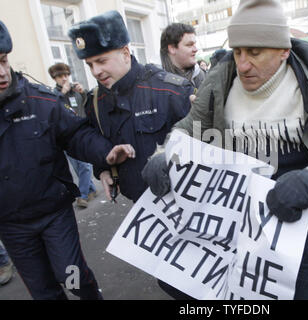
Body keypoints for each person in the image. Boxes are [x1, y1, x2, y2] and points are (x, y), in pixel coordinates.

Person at [142, 0, 308, 300]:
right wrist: (165, 154)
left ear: (283, 51)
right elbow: (190, 128)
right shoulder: (221, 79)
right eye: (238, 51)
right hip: (233, 226)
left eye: (255, 52)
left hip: (301, 232)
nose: (243, 64)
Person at [0, 20, 135, 299]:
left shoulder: (40, 103)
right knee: (43, 291)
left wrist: (105, 153)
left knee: (70, 275)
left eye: (3, 61)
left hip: (53, 215)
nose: (2, 72)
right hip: (11, 226)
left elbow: (76, 136)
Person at [68, 11, 193, 203]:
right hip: (138, 206)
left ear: (125, 53)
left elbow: (204, 147)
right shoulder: (95, 101)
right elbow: (98, 141)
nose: (96, 72)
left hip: (182, 201)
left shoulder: (171, 90)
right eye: (90, 65)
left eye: (101, 61)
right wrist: (102, 170)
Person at [48, 62, 97, 208]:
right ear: (54, 78)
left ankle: (81, 196)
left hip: (81, 133)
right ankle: (91, 190)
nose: (64, 79)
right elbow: (51, 107)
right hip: (65, 135)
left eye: (65, 75)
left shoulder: (75, 91)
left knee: (85, 166)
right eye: (59, 76)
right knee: (77, 166)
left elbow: (89, 104)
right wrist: (61, 93)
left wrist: (83, 92)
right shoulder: (54, 94)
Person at [160, 23, 206, 90]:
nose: (196, 49)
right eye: (189, 45)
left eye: (194, 44)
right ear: (172, 48)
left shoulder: (201, 76)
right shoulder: (155, 83)